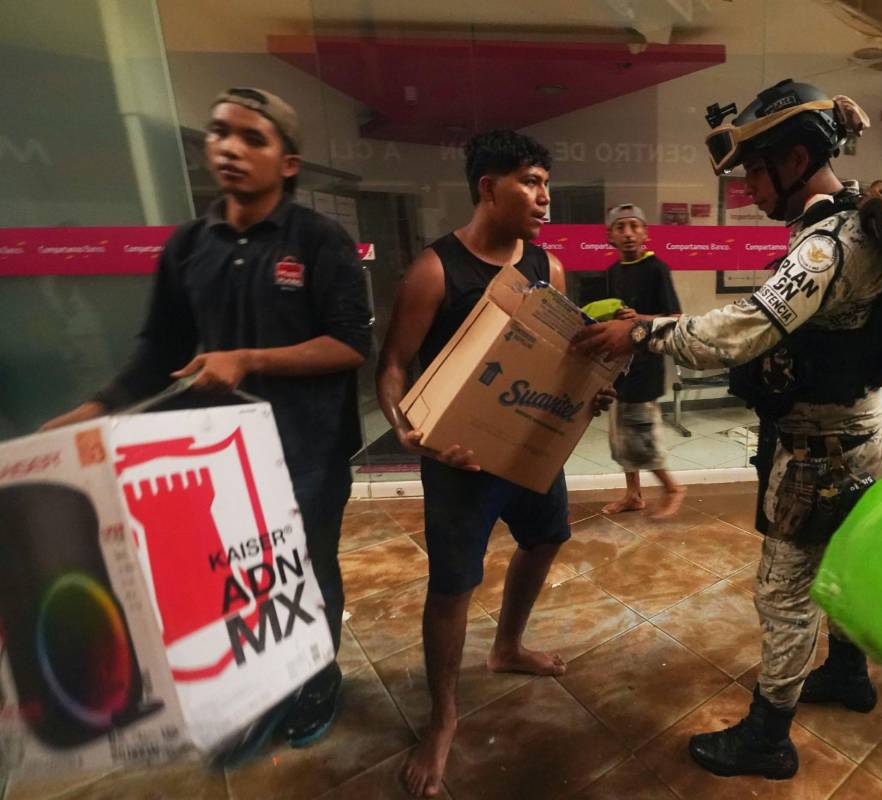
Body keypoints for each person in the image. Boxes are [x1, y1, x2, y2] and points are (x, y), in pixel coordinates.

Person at [572, 80, 882, 781]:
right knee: (842, 568)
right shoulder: (865, 219)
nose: (749, 190)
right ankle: (849, 675)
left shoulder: (827, 244)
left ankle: (768, 737)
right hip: (862, 431)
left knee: (785, 593)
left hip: (822, 449)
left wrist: (639, 332)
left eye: (755, 172)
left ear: (795, 159)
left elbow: (737, 334)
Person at [41, 88, 372, 754]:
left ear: (288, 162)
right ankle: (255, 687)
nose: (229, 147)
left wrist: (248, 358)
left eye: (253, 138)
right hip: (209, 459)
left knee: (305, 571)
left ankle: (316, 677)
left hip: (305, 451)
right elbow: (157, 351)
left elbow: (349, 344)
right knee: (231, 579)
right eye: (219, 133)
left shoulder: (319, 241)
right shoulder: (190, 245)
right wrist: (91, 411)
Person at [375, 130, 614, 798]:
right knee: (453, 583)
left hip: (527, 447)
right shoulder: (435, 270)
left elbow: (561, 364)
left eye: (545, 184)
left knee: (546, 538)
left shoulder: (548, 270)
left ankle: (507, 645)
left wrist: (588, 393)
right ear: (488, 187)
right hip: (457, 462)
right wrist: (407, 429)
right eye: (531, 182)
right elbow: (392, 368)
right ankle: (443, 717)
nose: (545, 198)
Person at [599, 202, 686, 519]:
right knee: (621, 435)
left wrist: (640, 320)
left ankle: (672, 487)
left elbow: (676, 318)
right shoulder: (612, 272)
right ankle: (633, 495)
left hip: (646, 366)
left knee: (642, 434)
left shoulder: (656, 269)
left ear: (646, 233)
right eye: (620, 227)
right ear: (610, 236)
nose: (628, 233)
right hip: (618, 367)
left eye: (635, 226)